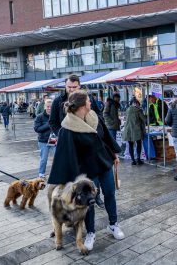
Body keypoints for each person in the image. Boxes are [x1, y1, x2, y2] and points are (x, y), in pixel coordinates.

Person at [47, 90, 124, 252]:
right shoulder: (67, 128)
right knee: (90, 202)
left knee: (110, 193)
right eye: (89, 100)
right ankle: (90, 232)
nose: (91, 102)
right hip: (87, 172)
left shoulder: (94, 116)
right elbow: (64, 154)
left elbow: (105, 139)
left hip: (104, 163)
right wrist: (66, 179)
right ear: (82, 106)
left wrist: (114, 154)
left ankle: (113, 224)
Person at [49, 74, 104, 208]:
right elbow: (53, 122)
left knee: (92, 170)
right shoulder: (58, 101)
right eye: (69, 87)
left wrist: (94, 133)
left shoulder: (87, 99)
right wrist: (61, 135)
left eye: (75, 87)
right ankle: (72, 199)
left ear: (79, 86)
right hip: (68, 144)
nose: (72, 89)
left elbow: (98, 116)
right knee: (71, 173)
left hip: (87, 143)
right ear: (65, 86)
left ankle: (95, 195)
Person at [34, 99, 56, 178]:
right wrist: (48, 125)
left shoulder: (55, 116)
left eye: (51, 107)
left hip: (53, 139)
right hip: (43, 140)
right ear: (44, 107)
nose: (49, 108)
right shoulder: (39, 117)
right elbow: (36, 129)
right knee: (44, 159)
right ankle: (41, 174)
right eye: (48, 106)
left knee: (57, 158)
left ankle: (56, 173)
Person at [122, 97, 146, 165]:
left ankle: (133, 161)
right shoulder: (138, 110)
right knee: (138, 144)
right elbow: (144, 119)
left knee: (130, 145)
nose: (139, 105)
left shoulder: (127, 110)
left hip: (128, 130)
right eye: (139, 104)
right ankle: (138, 159)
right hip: (136, 130)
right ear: (136, 104)